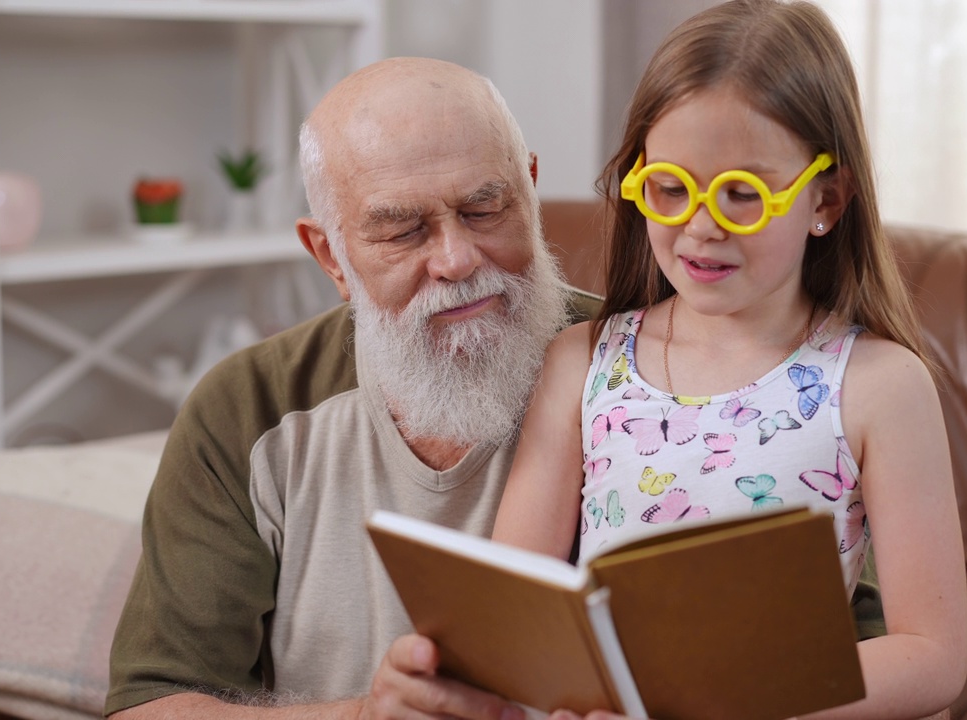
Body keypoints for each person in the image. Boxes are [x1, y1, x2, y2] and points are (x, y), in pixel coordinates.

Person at [106, 56, 886, 720]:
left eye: (485, 207)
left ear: (531, 189)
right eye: (401, 230)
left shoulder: (663, 375)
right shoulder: (248, 411)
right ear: (332, 256)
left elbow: (856, 656)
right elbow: (153, 701)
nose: (456, 259)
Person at [493, 1, 967, 719]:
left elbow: (931, 655)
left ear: (827, 200)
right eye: (670, 189)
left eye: (741, 195)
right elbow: (513, 602)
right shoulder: (581, 363)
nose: (701, 226)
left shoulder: (881, 387)